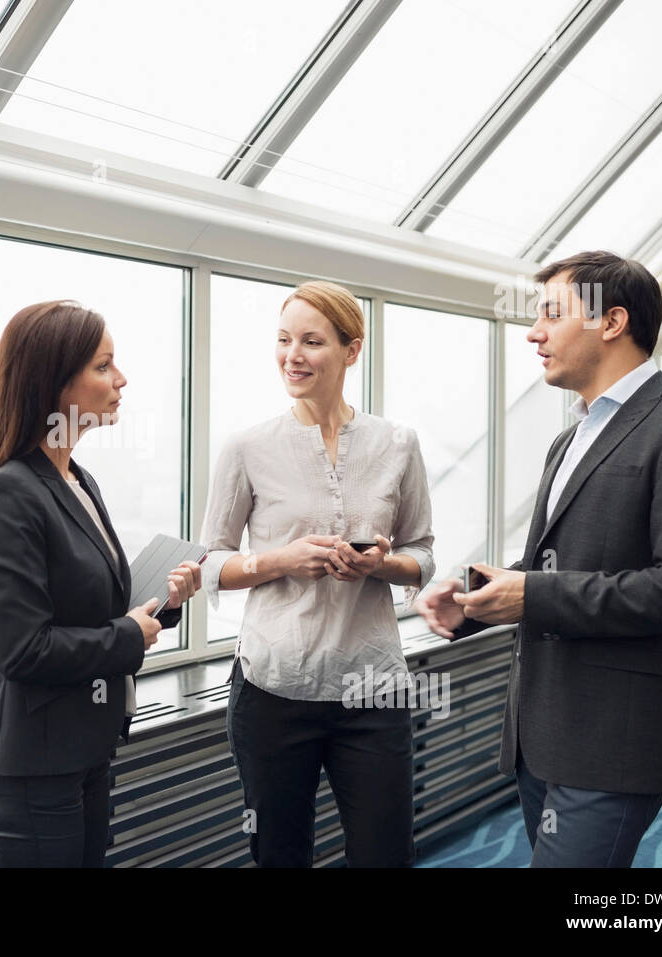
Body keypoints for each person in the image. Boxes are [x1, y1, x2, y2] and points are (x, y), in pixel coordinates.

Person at [416, 250, 662, 867]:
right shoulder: (571, 436)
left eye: (551, 314)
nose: (533, 332)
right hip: (544, 727)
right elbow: (565, 556)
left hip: (616, 734)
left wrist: (533, 596)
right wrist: (474, 593)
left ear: (612, 322)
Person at [200, 279, 435, 867]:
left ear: (351, 351)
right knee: (280, 855)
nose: (292, 356)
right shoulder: (247, 447)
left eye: (311, 341)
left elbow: (423, 554)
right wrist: (282, 559)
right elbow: (208, 562)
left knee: (385, 856)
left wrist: (382, 565)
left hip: (374, 687)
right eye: (283, 341)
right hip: (273, 689)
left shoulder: (398, 443)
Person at [0, 299, 202, 868]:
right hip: (33, 763)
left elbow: (96, 610)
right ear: (54, 383)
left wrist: (163, 607)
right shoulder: (9, 493)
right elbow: (23, 650)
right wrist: (129, 635)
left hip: (81, 748)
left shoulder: (75, 479)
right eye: (103, 366)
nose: (121, 380)